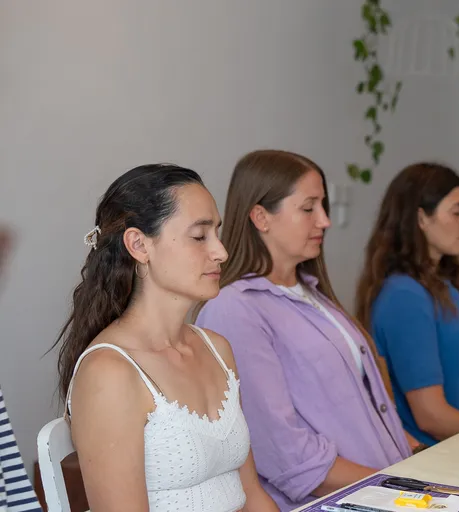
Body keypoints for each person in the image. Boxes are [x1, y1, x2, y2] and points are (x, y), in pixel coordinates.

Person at [195, 150, 416, 510]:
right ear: (261, 217)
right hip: (346, 499)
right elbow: (283, 450)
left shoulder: (315, 296)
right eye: (309, 207)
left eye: (323, 206)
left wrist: (411, 466)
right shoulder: (235, 309)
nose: (325, 221)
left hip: (385, 490)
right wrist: (395, 487)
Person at [54, 164, 278, 512]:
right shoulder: (109, 373)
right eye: (200, 236)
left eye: (216, 233)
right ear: (139, 244)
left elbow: (252, 494)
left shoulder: (216, 349)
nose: (221, 252)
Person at [355, 163, 459, 447]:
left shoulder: (444, 283)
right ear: (422, 218)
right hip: (455, 455)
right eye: (457, 211)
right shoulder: (404, 295)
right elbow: (430, 415)